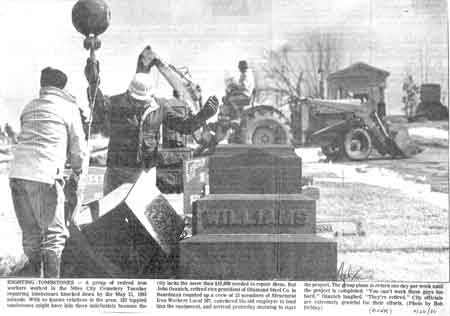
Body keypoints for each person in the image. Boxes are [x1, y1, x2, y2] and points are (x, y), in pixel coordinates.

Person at [85, 52, 219, 195]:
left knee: (141, 213)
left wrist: (204, 114)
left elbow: (185, 126)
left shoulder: (160, 107)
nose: (139, 105)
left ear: (150, 97)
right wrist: (93, 83)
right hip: (117, 171)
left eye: (142, 102)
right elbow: (97, 106)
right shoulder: (116, 103)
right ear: (129, 94)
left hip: (144, 172)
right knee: (111, 212)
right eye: (135, 101)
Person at [9, 67, 88, 278]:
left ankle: (35, 283)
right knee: (54, 236)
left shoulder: (28, 108)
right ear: (63, 87)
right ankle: (52, 290)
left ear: (43, 85)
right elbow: (79, 150)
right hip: (44, 178)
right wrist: (78, 171)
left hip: (16, 175)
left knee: (31, 236)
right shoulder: (68, 108)